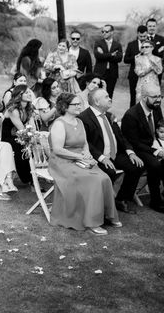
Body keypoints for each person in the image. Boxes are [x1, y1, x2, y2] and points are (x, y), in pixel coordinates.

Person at [48, 93, 120, 235]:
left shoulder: (79, 122)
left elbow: (85, 144)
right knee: (93, 180)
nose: (79, 106)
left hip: (80, 160)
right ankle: (92, 221)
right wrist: (79, 156)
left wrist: (87, 154)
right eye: (76, 104)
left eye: (79, 104)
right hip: (62, 162)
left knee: (104, 177)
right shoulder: (59, 124)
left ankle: (107, 215)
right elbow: (57, 149)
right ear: (65, 107)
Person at [79, 88, 145, 214]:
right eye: (106, 97)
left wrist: (130, 152)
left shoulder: (109, 116)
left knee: (136, 166)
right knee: (110, 172)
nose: (110, 98)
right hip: (97, 157)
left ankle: (121, 199)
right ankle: (102, 208)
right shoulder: (84, 118)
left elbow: (120, 137)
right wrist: (102, 158)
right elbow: (86, 142)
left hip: (115, 154)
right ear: (97, 102)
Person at [121, 83, 164, 213]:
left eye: (160, 96)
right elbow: (133, 142)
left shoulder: (156, 108)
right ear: (144, 97)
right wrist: (157, 151)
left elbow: (160, 128)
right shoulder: (131, 115)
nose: (159, 99)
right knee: (155, 165)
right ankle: (155, 201)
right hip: (137, 148)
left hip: (154, 144)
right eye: (155, 96)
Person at [0, 85, 35, 185]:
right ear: (19, 95)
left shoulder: (28, 108)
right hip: (9, 138)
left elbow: (31, 126)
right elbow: (22, 129)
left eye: (30, 92)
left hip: (19, 135)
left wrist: (34, 136)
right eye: (26, 92)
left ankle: (32, 175)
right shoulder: (13, 110)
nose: (29, 94)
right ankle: (27, 178)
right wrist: (30, 138)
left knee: (32, 145)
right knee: (22, 146)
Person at [93, 24, 123, 98]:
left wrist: (104, 55)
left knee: (109, 94)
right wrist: (111, 55)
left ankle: (106, 109)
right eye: (102, 31)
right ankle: (97, 110)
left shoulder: (117, 45)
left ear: (112, 32)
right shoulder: (98, 43)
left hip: (112, 73)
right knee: (98, 93)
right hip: (100, 72)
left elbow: (119, 58)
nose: (104, 33)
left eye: (106, 31)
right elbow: (98, 56)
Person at [124, 25, 149, 107]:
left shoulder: (151, 44)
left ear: (147, 34)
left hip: (148, 75)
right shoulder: (131, 44)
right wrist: (136, 56)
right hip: (134, 75)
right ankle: (132, 117)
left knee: (147, 97)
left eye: (144, 36)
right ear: (137, 34)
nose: (142, 38)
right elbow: (126, 60)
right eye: (141, 36)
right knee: (133, 97)